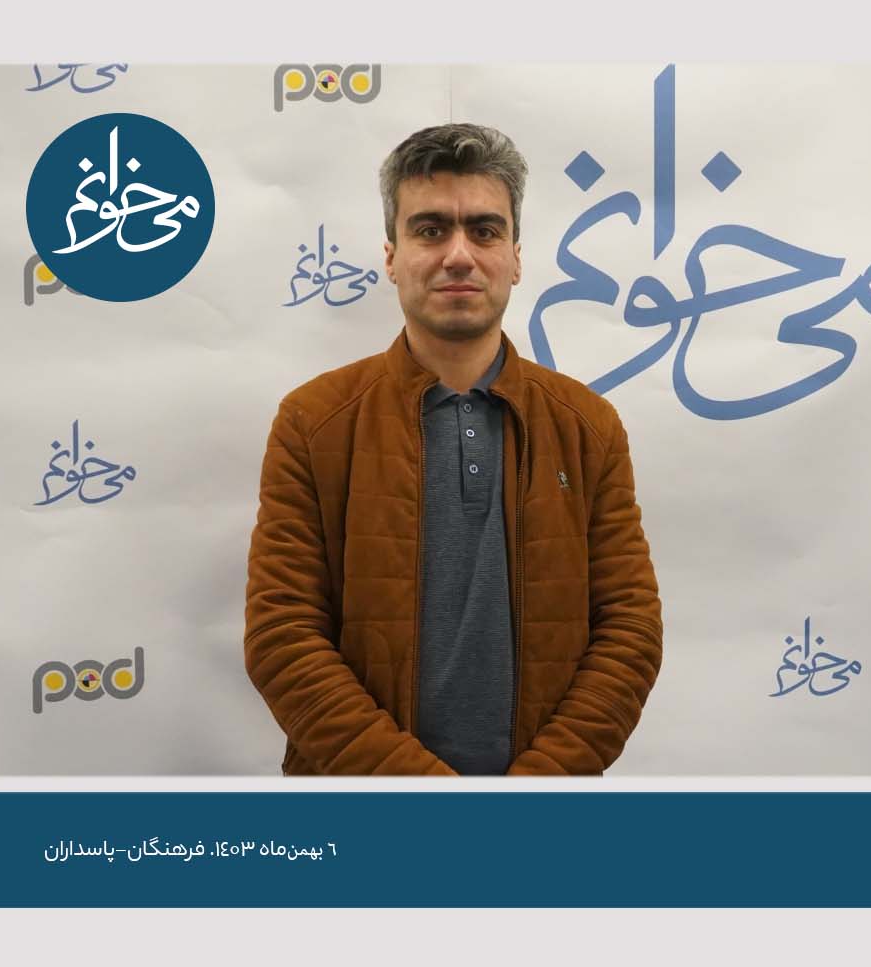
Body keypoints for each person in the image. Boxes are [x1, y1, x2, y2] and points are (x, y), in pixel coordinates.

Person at [244, 123, 662, 775]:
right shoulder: (315, 421)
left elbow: (629, 631)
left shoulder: (587, 426)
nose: (459, 255)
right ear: (392, 256)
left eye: (485, 231)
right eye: (431, 230)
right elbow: (283, 637)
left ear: (516, 258)